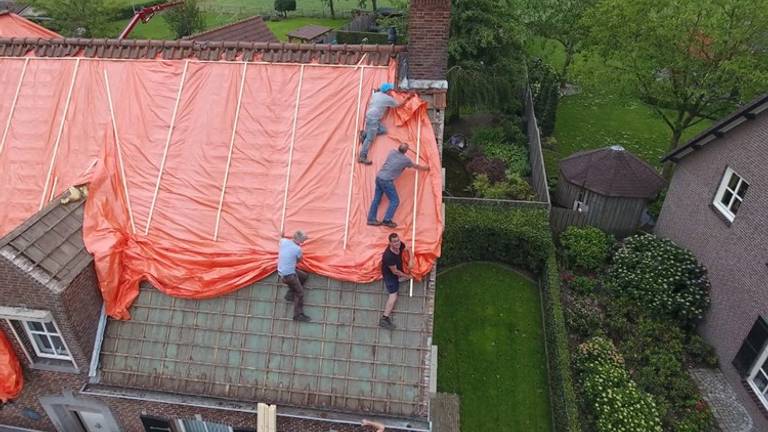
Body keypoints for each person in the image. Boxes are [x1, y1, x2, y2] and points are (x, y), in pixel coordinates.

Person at [367, 143, 429, 228]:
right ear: (406, 151)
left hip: (379, 177)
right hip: (386, 181)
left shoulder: (392, 152)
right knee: (395, 201)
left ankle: (371, 219)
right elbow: (416, 166)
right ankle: (387, 220)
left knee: (376, 199)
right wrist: (425, 168)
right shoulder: (406, 160)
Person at [358, 83, 401, 165]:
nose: (391, 91)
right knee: (370, 139)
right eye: (390, 90)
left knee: (383, 130)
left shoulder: (376, 94)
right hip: (374, 119)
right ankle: (362, 157)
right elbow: (399, 105)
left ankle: (364, 134)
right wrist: (408, 98)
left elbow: (377, 90)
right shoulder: (387, 99)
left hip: (370, 116)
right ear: (387, 91)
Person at [277, 230, 311, 322]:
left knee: (304, 276)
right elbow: (299, 260)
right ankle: (298, 315)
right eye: (303, 240)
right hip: (289, 276)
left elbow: (280, 238)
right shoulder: (297, 249)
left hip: (282, 272)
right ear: (299, 239)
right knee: (300, 293)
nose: (304, 241)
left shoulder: (283, 242)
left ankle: (290, 294)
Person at [379, 233, 410, 330]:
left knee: (404, 275)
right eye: (394, 242)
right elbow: (395, 271)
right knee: (393, 295)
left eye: (398, 240)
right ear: (390, 243)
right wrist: (407, 276)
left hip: (397, 266)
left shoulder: (401, 245)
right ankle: (384, 318)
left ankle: (401, 278)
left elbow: (408, 249)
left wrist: (411, 260)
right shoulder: (388, 256)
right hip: (390, 275)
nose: (397, 243)